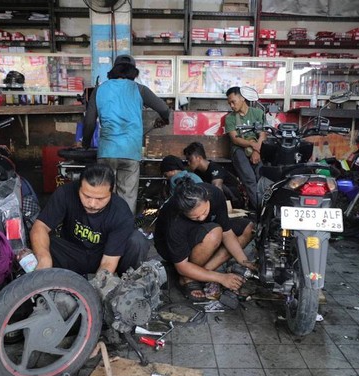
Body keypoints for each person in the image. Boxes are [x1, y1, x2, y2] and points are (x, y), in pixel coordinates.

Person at [82, 54, 171, 215]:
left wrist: (85, 144)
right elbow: (164, 109)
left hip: (107, 151)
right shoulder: (139, 89)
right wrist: (164, 118)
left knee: (102, 194)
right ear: (133, 71)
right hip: (130, 152)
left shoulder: (100, 89)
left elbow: (89, 122)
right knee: (127, 197)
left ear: (114, 70)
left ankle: (102, 228)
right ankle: (124, 231)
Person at [30, 163, 150, 276]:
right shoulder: (65, 193)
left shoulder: (121, 212)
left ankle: (129, 286)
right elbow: (41, 226)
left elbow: (108, 262)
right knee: (38, 241)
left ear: (111, 192)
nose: (92, 204)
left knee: (137, 241)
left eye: (100, 199)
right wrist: (44, 258)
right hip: (71, 253)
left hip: (104, 255)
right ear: (79, 187)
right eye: (86, 196)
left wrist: (96, 288)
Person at [154, 177, 256, 301]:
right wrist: (221, 278)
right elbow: (182, 265)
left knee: (248, 228)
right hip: (168, 246)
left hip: (205, 231)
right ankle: (187, 278)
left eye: (205, 212)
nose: (202, 218)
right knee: (214, 233)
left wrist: (244, 262)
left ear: (208, 198)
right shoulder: (175, 220)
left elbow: (227, 232)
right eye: (195, 217)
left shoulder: (215, 194)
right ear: (184, 212)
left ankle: (201, 273)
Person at [224, 86, 267, 210]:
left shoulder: (258, 113)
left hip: (257, 148)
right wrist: (253, 146)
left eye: (233, 102)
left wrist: (257, 150)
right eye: (229, 103)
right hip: (239, 150)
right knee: (249, 179)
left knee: (261, 179)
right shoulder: (230, 118)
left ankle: (264, 208)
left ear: (242, 98)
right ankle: (260, 210)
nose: (231, 106)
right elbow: (235, 139)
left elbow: (263, 134)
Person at [183, 141, 245, 209]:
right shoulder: (197, 172)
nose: (188, 163)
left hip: (235, 200)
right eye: (187, 160)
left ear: (199, 158)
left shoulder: (215, 169)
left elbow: (217, 190)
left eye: (190, 159)